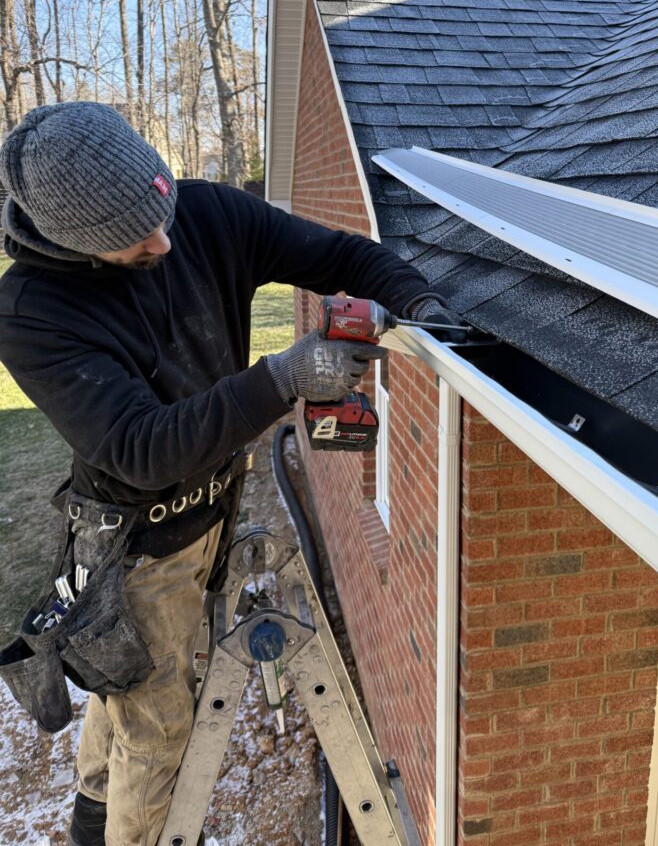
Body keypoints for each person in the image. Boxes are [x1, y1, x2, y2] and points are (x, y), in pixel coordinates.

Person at [0, 102, 462, 846]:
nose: (165, 239)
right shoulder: (31, 312)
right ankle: (112, 830)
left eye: (162, 211)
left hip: (211, 514)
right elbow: (143, 449)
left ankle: (92, 808)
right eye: (134, 241)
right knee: (156, 727)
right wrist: (281, 379)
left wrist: (418, 301)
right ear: (75, 246)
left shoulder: (207, 214)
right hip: (136, 548)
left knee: (126, 689)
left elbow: (340, 255)